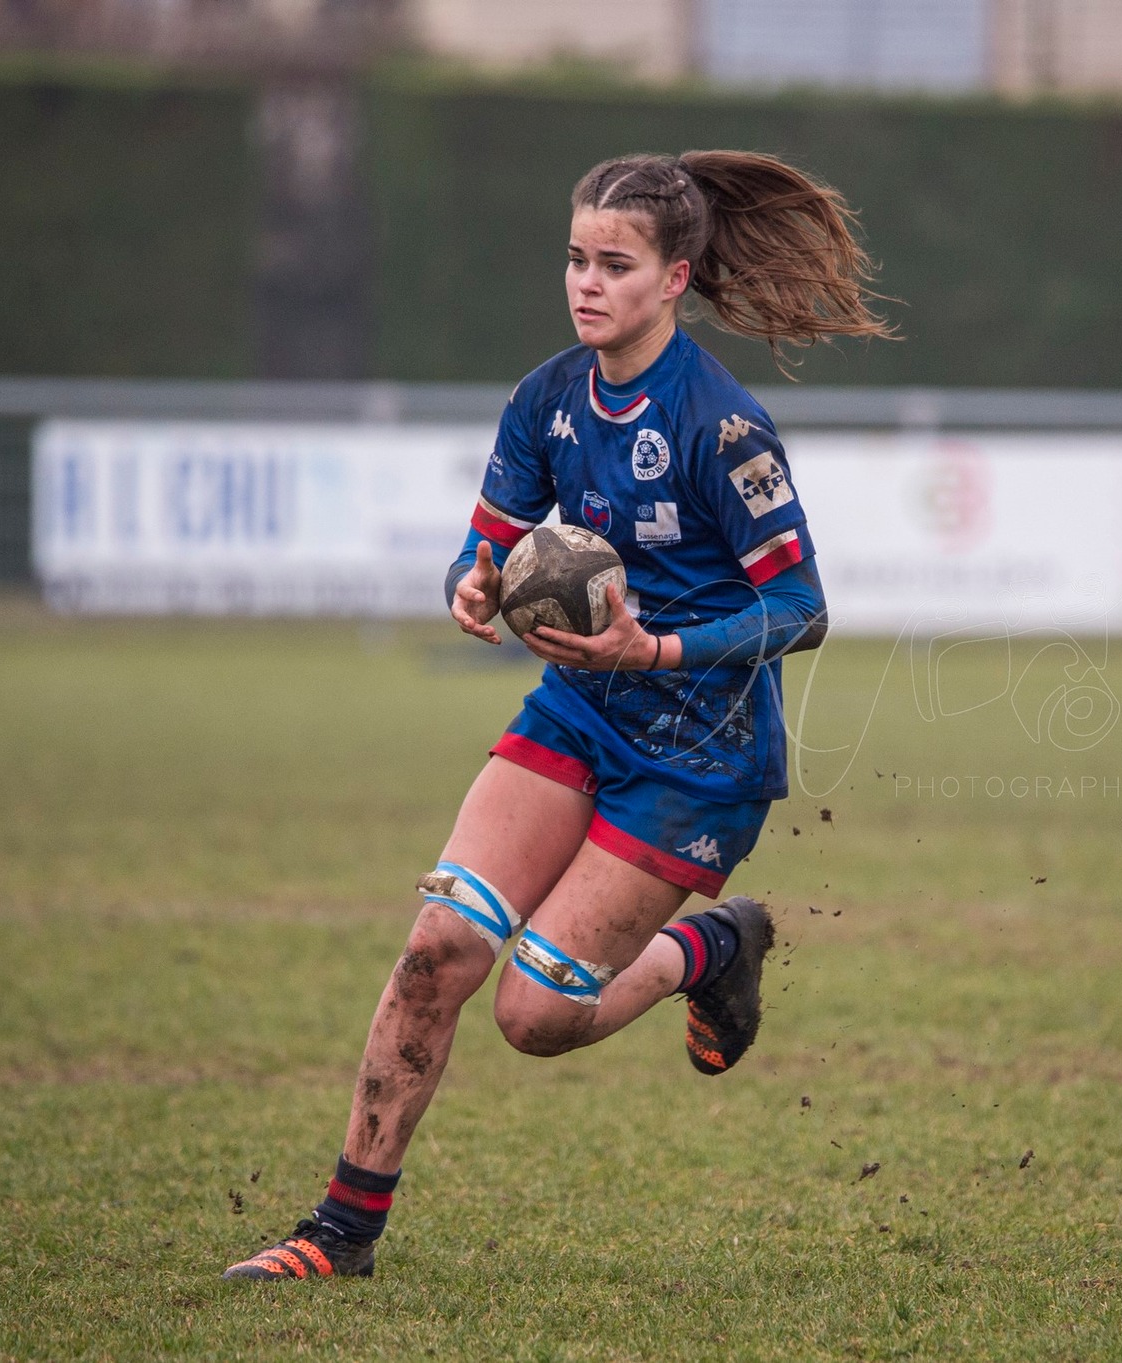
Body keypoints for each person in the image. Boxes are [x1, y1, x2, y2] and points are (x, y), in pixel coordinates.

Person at [225, 150, 892, 1280]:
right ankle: (339, 1233)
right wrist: (471, 581)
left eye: (615, 265)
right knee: (436, 951)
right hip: (577, 713)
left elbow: (803, 608)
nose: (586, 282)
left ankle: (710, 945)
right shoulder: (546, 397)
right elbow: (486, 535)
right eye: (576, 257)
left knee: (533, 1016)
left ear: (674, 279)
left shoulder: (722, 431)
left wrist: (659, 645)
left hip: (699, 753)